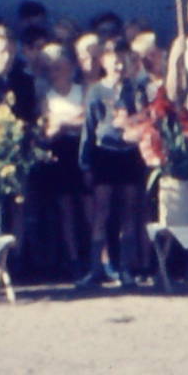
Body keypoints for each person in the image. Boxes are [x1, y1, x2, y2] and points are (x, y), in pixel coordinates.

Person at [82, 38, 150, 286]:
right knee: (102, 211)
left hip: (129, 154)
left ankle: (126, 268)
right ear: (103, 61)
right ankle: (95, 268)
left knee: (129, 212)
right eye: (113, 59)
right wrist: (85, 162)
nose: (118, 65)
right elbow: (88, 129)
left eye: (122, 59)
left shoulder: (136, 90)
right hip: (104, 154)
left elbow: (145, 119)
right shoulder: (96, 91)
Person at [30, 43, 93, 280]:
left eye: (59, 67)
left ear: (70, 67)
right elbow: (46, 130)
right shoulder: (46, 97)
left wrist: (63, 123)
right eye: (51, 68)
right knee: (65, 209)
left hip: (81, 152)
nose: (55, 72)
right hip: (59, 155)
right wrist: (68, 121)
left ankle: (95, 257)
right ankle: (73, 258)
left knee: (89, 207)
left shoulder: (82, 90)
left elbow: (86, 119)